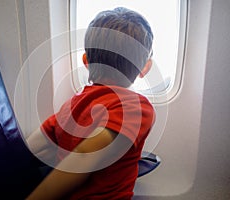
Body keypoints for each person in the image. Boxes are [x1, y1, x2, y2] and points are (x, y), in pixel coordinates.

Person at [26, 7, 155, 200]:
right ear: (145, 68)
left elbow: (30, 147)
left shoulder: (71, 105)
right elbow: (84, 158)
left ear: (86, 61)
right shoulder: (136, 108)